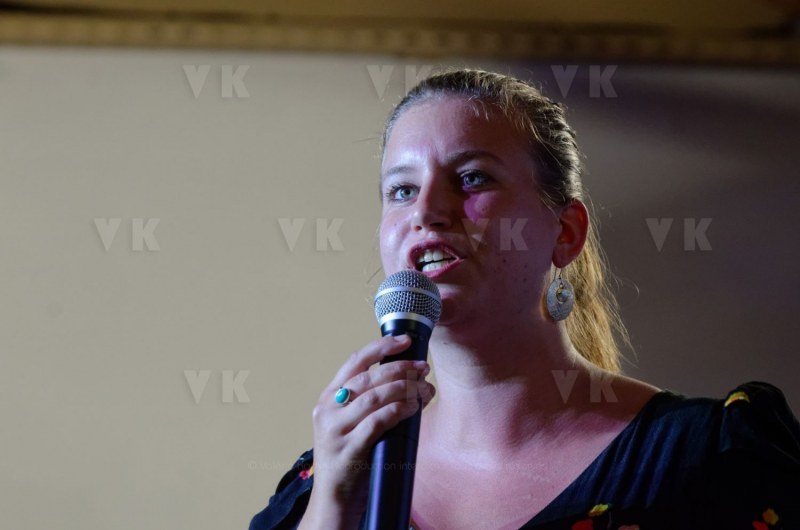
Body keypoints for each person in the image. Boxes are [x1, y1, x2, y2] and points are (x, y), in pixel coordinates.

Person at [250, 69, 800, 530]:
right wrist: (330, 507)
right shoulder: (329, 482)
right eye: (402, 190)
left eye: (470, 178)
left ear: (565, 233)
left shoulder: (706, 456)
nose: (426, 212)